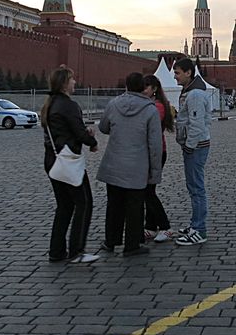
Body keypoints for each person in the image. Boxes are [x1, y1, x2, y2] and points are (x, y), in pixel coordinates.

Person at [96, 71, 162, 257]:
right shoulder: (150, 110)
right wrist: (155, 171)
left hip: (114, 164)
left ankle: (111, 241)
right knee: (135, 206)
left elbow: (103, 127)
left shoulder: (113, 104)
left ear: (126, 86)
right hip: (137, 167)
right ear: (142, 87)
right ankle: (131, 245)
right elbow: (155, 144)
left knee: (114, 205)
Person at [42, 65, 99, 264]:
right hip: (68, 162)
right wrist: (92, 140)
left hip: (53, 161)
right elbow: (79, 132)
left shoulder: (50, 104)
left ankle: (56, 251)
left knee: (64, 206)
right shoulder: (68, 105)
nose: (75, 82)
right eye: (72, 79)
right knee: (84, 203)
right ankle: (76, 251)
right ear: (65, 83)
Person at [173, 58, 212, 245]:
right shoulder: (190, 91)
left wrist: (189, 144)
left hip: (196, 147)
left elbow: (196, 124)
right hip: (194, 145)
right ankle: (195, 224)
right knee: (194, 187)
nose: (175, 77)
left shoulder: (195, 94)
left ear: (189, 72)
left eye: (178, 73)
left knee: (196, 188)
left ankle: (199, 229)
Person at [143, 73, 176, 242]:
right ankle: (150, 227)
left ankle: (165, 227)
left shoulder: (158, 107)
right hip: (149, 152)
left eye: (146, 87)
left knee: (148, 192)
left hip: (156, 153)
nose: (143, 90)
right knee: (149, 190)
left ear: (154, 89)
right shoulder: (152, 104)